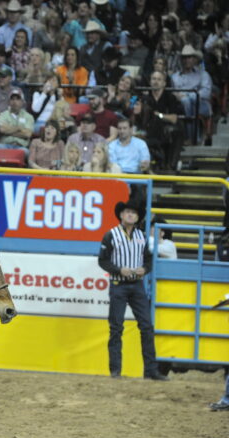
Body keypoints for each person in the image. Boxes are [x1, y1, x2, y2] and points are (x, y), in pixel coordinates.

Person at [97, 200, 168, 381]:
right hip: (118, 285)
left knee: (146, 326)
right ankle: (115, 371)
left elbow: (149, 260)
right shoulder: (111, 235)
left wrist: (145, 269)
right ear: (121, 215)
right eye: (127, 212)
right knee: (116, 328)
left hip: (137, 286)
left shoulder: (142, 236)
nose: (130, 215)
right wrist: (119, 270)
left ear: (137, 217)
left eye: (133, 213)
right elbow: (102, 261)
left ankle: (151, 371)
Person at [140, 71, 184, 172]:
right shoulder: (143, 97)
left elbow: (174, 118)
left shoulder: (170, 97)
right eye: (154, 79)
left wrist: (159, 115)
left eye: (159, 79)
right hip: (147, 127)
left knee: (178, 129)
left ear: (164, 83)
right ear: (150, 82)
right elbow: (132, 106)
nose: (156, 82)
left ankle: (171, 165)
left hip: (164, 129)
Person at [0, 89, 34, 158]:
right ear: (9, 102)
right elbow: (2, 130)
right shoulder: (3, 114)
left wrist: (8, 130)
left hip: (20, 147)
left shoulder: (28, 117)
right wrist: (19, 128)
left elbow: (27, 134)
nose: (15, 102)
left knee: (27, 153)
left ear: (22, 102)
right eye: (12, 99)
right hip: (4, 145)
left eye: (17, 99)